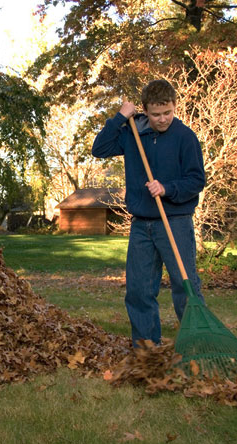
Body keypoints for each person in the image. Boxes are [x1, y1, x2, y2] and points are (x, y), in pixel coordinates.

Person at [91, 79, 206, 346]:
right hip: (142, 224)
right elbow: (99, 149)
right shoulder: (133, 132)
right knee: (139, 290)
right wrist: (120, 117)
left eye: (168, 112)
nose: (163, 119)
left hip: (175, 222)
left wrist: (167, 188)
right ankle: (145, 346)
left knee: (184, 286)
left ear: (174, 106)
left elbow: (196, 180)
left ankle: (197, 343)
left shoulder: (185, 137)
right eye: (156, 114)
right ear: (145, 110)